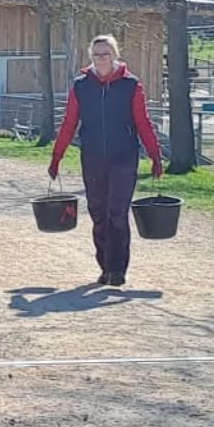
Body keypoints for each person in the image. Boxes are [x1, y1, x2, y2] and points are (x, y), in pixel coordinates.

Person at [48, 33, 163, 288]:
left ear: (115, 55)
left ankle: (118, 269)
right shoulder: (81, 86)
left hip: (123, 157)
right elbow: (69, 123)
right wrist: (57, 156)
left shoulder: (131, 85)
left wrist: (155, 155)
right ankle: (104, 266)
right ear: (91, 57)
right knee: (98, 213)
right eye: (97, 54)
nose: (101, 59)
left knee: (117, 213)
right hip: (92, 157)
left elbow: (142, 122)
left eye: (106, 54)